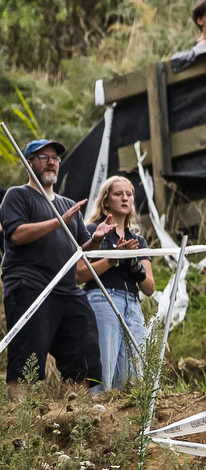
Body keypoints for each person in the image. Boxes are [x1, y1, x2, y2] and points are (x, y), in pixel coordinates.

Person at [1, 140, 102, 396]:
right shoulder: (17, 195)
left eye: (55, 158)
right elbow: (17, 234)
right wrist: (59, 222)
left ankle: (77, 414)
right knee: (26, 359)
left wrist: (97, 239)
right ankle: (20, 420)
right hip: (30, 286)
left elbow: (81, 249)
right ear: (29, 162)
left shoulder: (68, 205)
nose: (52, 162)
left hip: (68, 289)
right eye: (44, 156)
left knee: (84, 351)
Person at [77, 174, 152, 392]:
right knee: (104, 369)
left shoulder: (138, 240)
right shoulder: (92, 231)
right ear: (106, 201)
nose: (125, 198)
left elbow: (149, 288)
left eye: (129, 194)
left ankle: (125, 423)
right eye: (118, 194)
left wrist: (134, 265)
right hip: (102, 298)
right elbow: (79, 274)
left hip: (134, 304)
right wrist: (112, 259)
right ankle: (96, 415)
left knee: (133, 378)